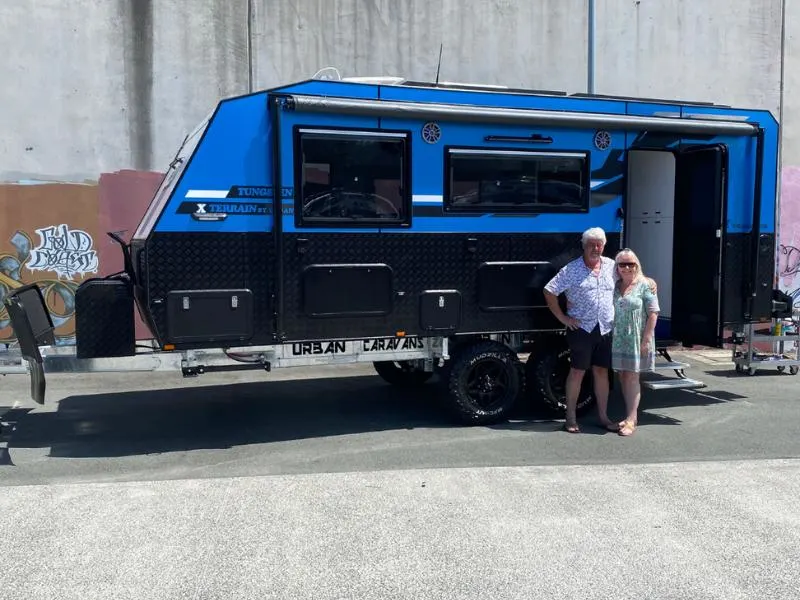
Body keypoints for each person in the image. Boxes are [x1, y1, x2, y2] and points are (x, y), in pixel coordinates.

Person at [543, 227, 618, 433]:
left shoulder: (612, 266)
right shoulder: (571, 269)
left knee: (602, 372)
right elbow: (549, 291)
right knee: (577, 372)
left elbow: (632, 277)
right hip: (581, 329)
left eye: (599, 244)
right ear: (583, 246)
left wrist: (650, 283)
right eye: (591, 244)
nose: (596, 248)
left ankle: (603, 417)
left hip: (605, 328)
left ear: (604, 245)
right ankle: (570, 418)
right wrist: (562, 318)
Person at [611, 248, 660, 437]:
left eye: (630, 264)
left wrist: (646, 339)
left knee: (632, 377)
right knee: (623, 376)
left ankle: (631, 419)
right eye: (622, 264)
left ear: (636, 265)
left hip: (636, 337)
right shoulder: (615, 286)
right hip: (619, 338)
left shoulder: (645, 285)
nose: (626, 267)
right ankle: (628, 416)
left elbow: (654, 312)